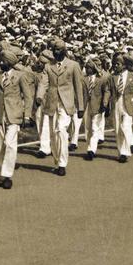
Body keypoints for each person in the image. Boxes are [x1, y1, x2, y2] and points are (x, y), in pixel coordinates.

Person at [0, 45, 31, 189]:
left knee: (10, 144)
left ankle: (7, 175)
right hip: (0, 114)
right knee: (1, 146)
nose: (0, 62)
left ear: (9, 62)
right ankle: (2, 175)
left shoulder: (20, 76)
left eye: (2, 60)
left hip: (14, 113)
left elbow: (28, 96)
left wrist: (27, 115)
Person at [37, 39, 84, 177]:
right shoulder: (48, 66)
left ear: (64, 51)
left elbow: (78, 87)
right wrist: (39, 97)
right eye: (54, 50)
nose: (56, 52)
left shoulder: (73, 65)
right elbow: (43, 83)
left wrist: (80, 107)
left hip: (66, 104)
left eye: (58, 50)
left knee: (61, 130)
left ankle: (62, 163)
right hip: (52, 103)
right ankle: (57, 160)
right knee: (53, 134)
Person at [110, 53, 133, 162]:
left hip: (129, 104)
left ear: (124, 65)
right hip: (116, 103)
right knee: (117, 129)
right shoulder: (113, 77)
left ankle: (125, 152)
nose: (115, 66)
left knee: (126, 127)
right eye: (114, 64)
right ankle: (121, 151)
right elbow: (110, 92)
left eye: (118, 64)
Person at [81, 55, 110, 161]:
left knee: (95, 127)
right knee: (87, 127)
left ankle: (91, 150)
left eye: (88, 68)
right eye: (86, 67)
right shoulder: (83, 79)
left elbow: (106, 91)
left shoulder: (102, 79)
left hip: (97, 106)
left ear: (93, 68)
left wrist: (105, 104)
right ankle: (89, 146)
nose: (86, 69)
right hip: (86, 106)